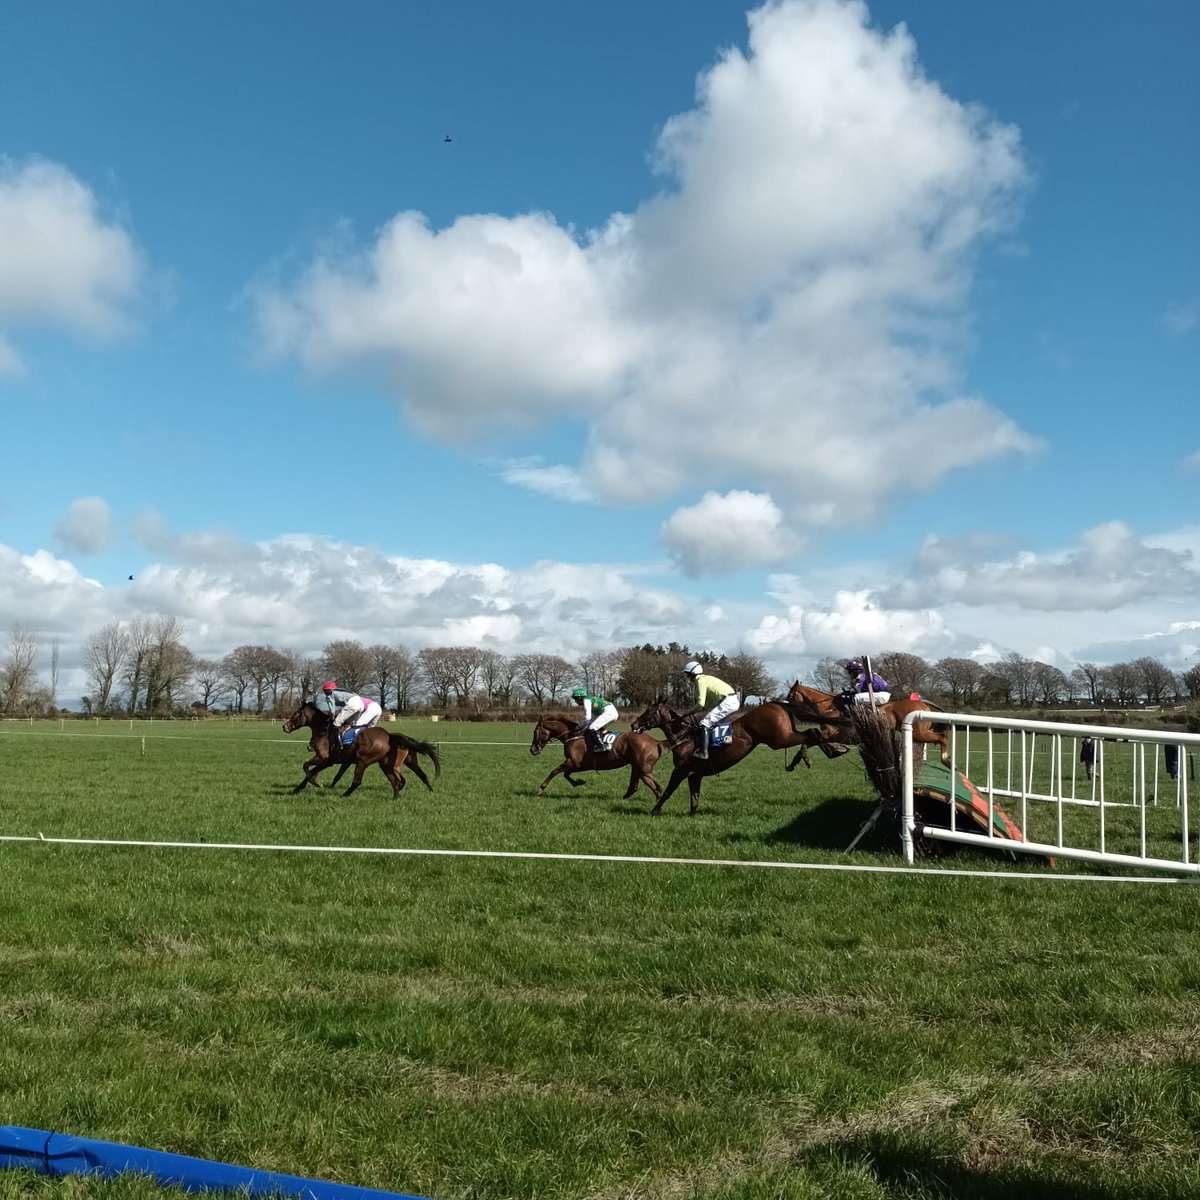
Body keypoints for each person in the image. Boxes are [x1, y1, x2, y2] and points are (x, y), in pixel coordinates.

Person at [682, 659, 741, 760]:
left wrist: (689, 712)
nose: (687, 677)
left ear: (693, 673)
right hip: (729, 700)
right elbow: (707, 705)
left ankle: (703, 753)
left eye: (688, 674)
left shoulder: (700, 681)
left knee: (705, 723)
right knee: (704, 721)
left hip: (728, 701)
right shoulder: (704, 679)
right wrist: (697, 714)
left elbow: (700, 704)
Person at [317, 680, 382, 747]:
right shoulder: (344, 692)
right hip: (376, 708)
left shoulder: (331, 694)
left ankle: (339, 744)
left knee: (338, 724)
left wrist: (332, 716)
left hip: (366, 707)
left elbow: (332, 708)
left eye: (325, 691)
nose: (325, 693)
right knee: (367, 728)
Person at [570, 686, 619, 753]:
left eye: (575, 699)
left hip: (609, 712)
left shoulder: (586, 701)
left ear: (580, 697)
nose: (575, 701)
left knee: (592, 727)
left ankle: (601, 746)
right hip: (611, 711)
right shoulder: (590, 700)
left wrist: (580, 726)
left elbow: (588, 718)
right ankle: (607, 744)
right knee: (596, 728)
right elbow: (591, 719)